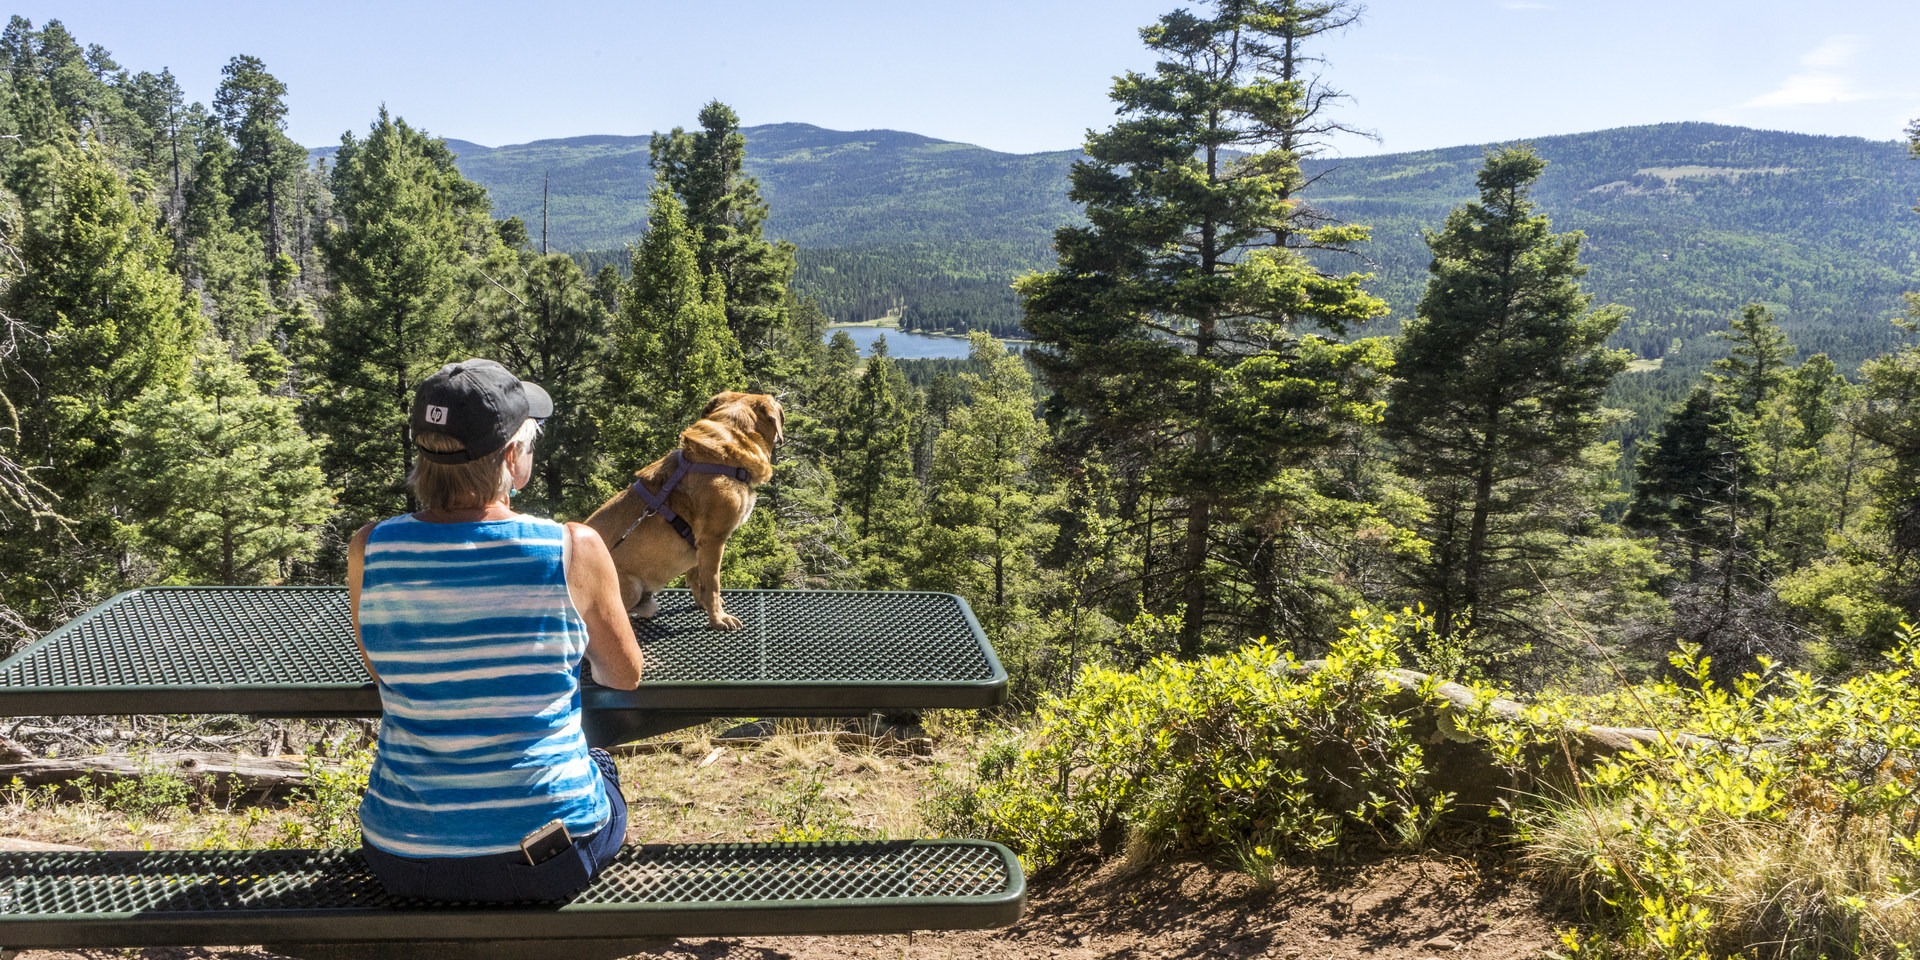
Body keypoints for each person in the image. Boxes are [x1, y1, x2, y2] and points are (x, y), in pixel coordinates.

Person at [346, 358, 645, 902]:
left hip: (403, 854)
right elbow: (623, 676)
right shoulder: (572, 547)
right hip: (546, 857)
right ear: (511, 458)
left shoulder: (372, 547)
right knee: (600, 765)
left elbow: (382, 667)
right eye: (529, 444)